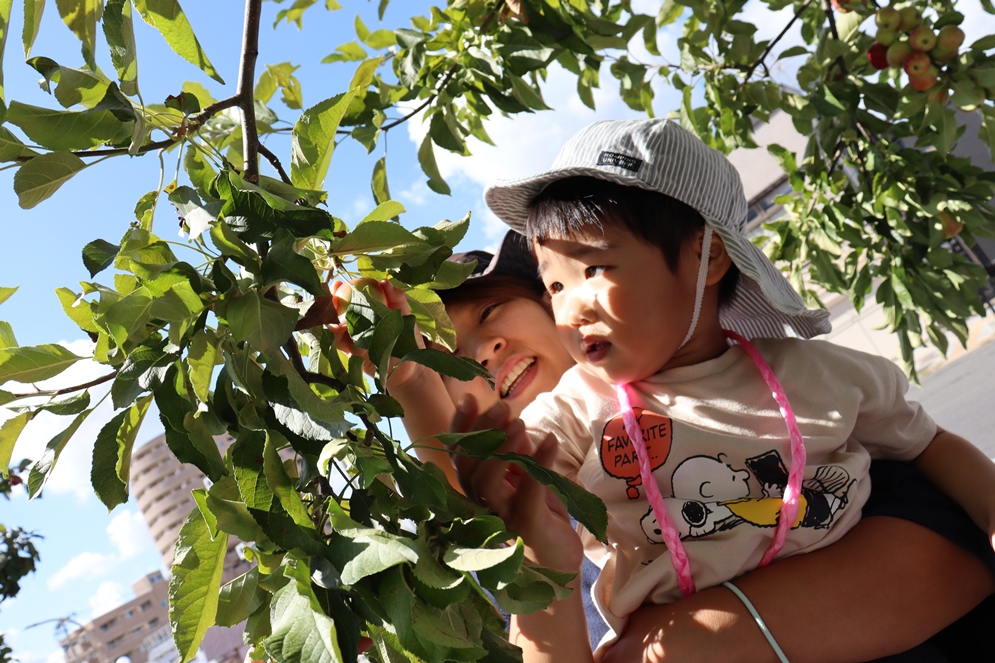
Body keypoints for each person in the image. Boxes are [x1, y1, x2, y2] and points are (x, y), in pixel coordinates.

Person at [450, 117, 995, 662]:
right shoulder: (579, 408)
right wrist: (502, 472)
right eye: (555, 285)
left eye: (594, 268)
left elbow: (926, 443)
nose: (572, 307)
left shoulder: (815, 374)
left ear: (708, 256)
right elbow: (525, 459)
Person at [332, 226, 995, 662]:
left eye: (489, 311)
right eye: (451, 356)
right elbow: (477, 491)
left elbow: (940, 547)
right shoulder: (545, 534)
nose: (483, 350)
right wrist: (410, 381)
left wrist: (692, 640)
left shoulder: (751, 398)